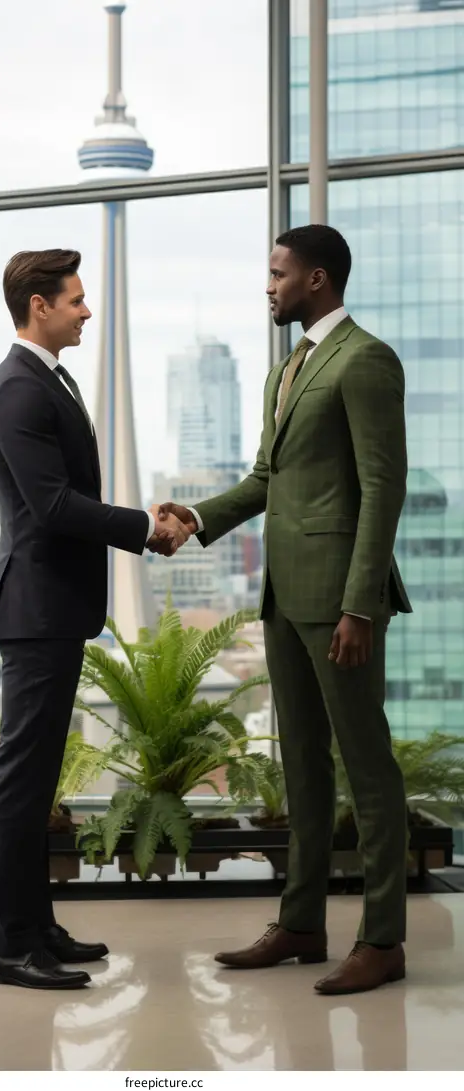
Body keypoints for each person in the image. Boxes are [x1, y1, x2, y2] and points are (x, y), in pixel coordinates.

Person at [159, 225, 412, 995]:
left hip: (341, 603)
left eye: (278, 273)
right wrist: (195, 518)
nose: (267, 285)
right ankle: (301, 924)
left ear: (318, 278)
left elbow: (382, 487)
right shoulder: (288, 370)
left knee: (366, 766)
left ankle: (383, 938)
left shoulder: (365, 360)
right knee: (300, 764)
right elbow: (267, 477)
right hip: (283, 595)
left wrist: (360, 604)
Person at [0, 248, 187, 990]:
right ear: (40, 305)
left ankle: (36, 928)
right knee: (20, 781)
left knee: (37, 784)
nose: (86, 310)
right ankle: (7, 947)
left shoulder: (44, 381)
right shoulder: (17, 389)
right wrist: (144, 526)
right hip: (36, 610)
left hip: (54, 609)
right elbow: (54, 505)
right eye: (75, 299)